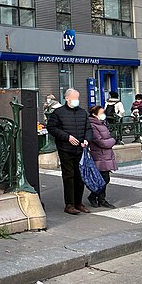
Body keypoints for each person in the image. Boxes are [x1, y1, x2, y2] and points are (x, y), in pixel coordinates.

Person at [46, 88, 93, 216]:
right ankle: (69, 204)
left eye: (78, 98)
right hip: (65, 149)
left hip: (80, 149)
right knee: (69, 176)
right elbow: (51, 127)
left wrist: (87, 140)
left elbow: (88, 129)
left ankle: (78, 203)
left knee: (80, 177)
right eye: (74, 98)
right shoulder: (58, 113)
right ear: (67, 98)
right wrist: (67, 137)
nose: (77, 100)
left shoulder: (82, 112)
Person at [88, 106, 117, 209]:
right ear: (94, 114)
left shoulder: (102, 123)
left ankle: (101, 199)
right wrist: (113, 141)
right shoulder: (93, 125)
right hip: (99, 155)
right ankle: (94, 196)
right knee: (103, 179)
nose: (103, 114)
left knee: (104, 178)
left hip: (106, 155)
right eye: (101, 113)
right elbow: (100, 141)